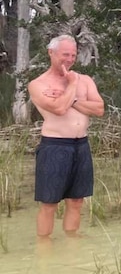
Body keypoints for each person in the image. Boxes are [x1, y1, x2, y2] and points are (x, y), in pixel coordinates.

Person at [27, 34, 105, 238]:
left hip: (81, 145)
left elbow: (99, 109)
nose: (69, 59)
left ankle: (71, 244)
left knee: (76, 200)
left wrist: (73, 98)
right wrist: (70, 85)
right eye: (65, 54)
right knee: (49, 202)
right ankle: (44, 249)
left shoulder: (85, 80)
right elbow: (59, 109)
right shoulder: (38, 84)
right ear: (51, 53)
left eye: (73, 55)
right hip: (55, 146)